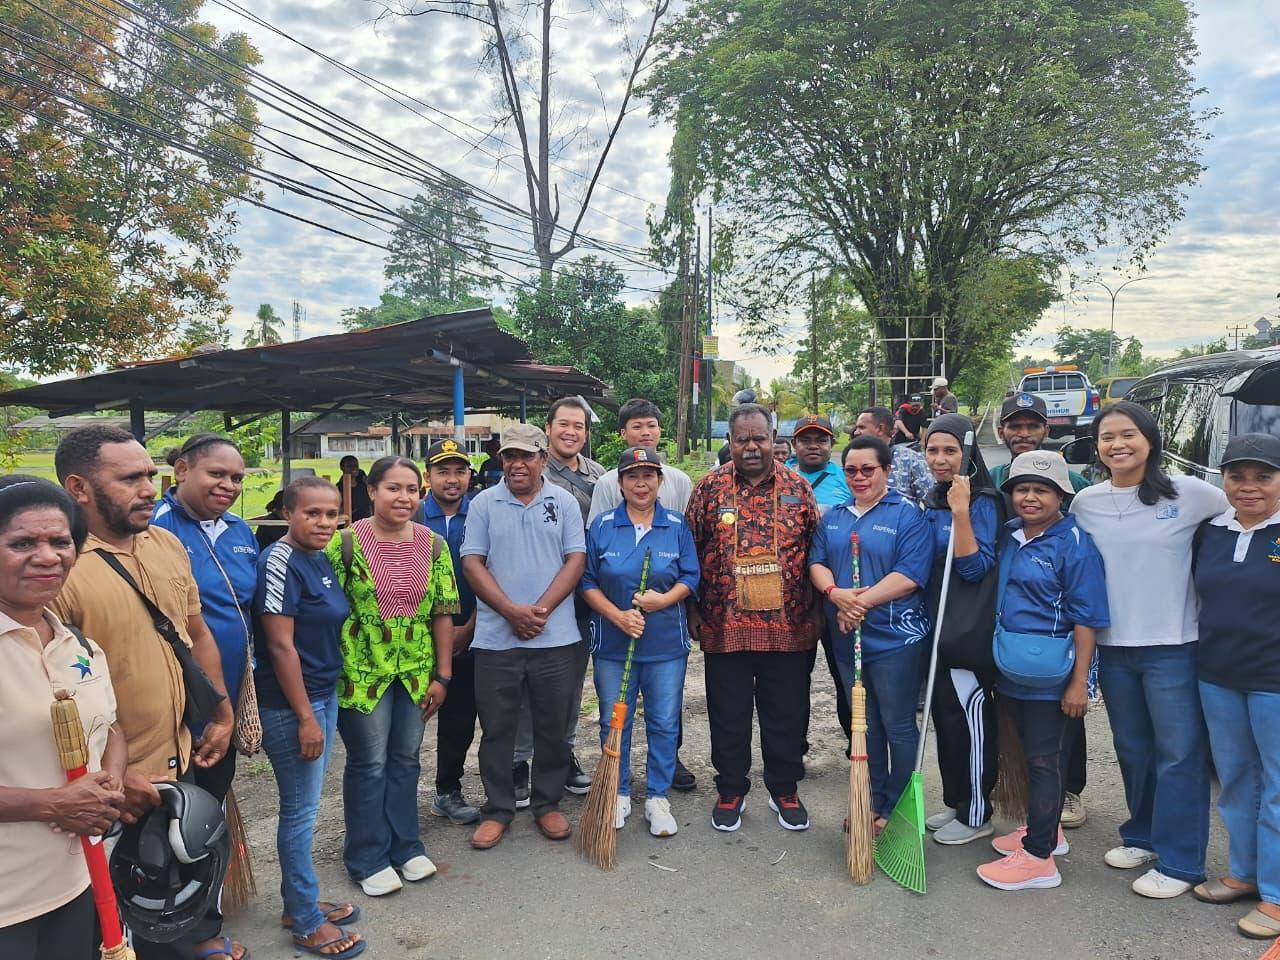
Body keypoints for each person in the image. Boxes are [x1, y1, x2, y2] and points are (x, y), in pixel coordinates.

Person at [51, 425, 238, 960]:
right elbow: (53, 697)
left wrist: (221, 711)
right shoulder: (60, 568)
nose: (149, 489)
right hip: (110, 791)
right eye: (130, 478)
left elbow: (196, 633)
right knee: (109, 929)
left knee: (170, 912)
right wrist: (114, 774)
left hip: (177, 767)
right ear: (79, 487)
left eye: (151, 476)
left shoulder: (166, 544)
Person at [1070, 401, 1226, 899]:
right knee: (1133, 749)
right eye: (1107, 437)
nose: (1118, 444)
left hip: (1173, 647)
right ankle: (1143, 836)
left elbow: (1251, 513)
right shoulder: (1086, 502)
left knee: (1178, 755)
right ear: (1097, 447)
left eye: (1128, 434)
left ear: (1150, 440)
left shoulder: (1191, 493)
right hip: (1114, 648)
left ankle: (1182, 862)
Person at [0, 475, 128, 960]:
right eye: (22, 543)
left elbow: (110, 729)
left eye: (60, 542)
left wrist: (110, 784)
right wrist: (51, 804)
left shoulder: (79, 645)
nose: (48, 557)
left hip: (77, 883)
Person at [977, 452, 1108, 892]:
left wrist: (1079, 683)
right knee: (1033, 755)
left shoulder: (1075, 543)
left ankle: (1038, 859)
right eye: (1022, 489)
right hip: (1013, 664)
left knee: (1044, 760)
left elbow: (1087, 618)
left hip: (1053, 674)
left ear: (1061, 496)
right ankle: (1048, 832)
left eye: (1041, 490)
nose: (1030, 497)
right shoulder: (1011, 534)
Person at [326, 456, 457, 898]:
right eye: (393, 488)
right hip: (362, 672)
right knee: (369, 763)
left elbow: (443, 612)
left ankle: (406, 846)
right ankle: (367, 856)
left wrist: (443, 675)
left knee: (406, 760)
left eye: (412, 490)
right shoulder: (343, 544)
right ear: (372, 491)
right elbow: (324, 610)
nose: (404, 498)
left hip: (416, 673)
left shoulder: (434, 545)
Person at [686, 403, 820, 833]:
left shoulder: (798, 488)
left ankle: (785, 789)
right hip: (724, 625)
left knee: (787, 712)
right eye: (741, 439)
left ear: (773, 439)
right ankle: (730, 789)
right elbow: (690, 551)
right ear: (729, 441)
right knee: (728, 712)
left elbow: (818, 552)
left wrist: (818, 611)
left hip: (790, 626)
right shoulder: (708, 489)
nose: (750, 447)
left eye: (759, 438)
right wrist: (692, 609)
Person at [151, 432, 258, 950]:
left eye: (236, 478)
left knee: (207, 816)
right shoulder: (155, 530)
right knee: (167, 823)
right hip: (173, 706)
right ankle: (172, 933)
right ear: (181, 471)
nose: (229, 485)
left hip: (225, 702)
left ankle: (206, 922)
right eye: (217, 474)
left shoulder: (241, 531)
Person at [253, 477, 365, 958]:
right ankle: (304, 921)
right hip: (292, 704)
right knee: (299, 812)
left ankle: (297, 901)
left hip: (323, 692)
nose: (323, 523)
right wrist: (305, 717)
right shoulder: (279, 562)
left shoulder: (318, 558)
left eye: (331, 514)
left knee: (308, 805)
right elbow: (280, 645)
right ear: (287, 513)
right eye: (311, 513)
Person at [461, 424, 586, 850]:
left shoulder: (564, 502)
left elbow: (575, 560)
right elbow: (472, 562)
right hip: (497, 639)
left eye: (526, 456)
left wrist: (541, 610)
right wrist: (510, 611)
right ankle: (498, 809)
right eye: (510, 457)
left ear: (542, 459)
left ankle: (547, 803)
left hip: (555, 637)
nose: (517, 464)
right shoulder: (484, 503)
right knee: (497, 728)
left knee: (554, 726)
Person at [808, 437, 932, 828]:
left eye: (868, 469)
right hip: (847, 638)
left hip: (896, 639)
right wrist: (836, 594)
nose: (859, 477)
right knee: (865, 724)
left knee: (897, 724)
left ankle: (896, 807)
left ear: (887, 470)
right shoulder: (834, 516)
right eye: (851, 470)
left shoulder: (908, 515)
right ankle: (871, 800)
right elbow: (817, 562)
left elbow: (910, 574)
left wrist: (857, 604)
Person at [988, 392, 1094, 830]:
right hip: (1012, 648)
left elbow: (1085, 608)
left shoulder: (1075, 514)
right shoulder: (998, 493)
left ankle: (1052, 821)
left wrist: (1081, 681)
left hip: (1056, 654)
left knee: (1053, 742)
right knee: (1022, 740)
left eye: (1032, 425)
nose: (1023, 433)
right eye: (1015, 425)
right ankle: (1032, 818)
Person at [581, 446, 699, 837]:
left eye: (649, 475)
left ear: (660, 481)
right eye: (632, 476)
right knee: (614, 719)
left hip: (665, 645)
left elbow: (691, 576)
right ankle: (617, 791)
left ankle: (657, 796)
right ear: (620, 484)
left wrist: (662, 600)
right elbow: (587, 581)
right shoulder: (602, 526)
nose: (641, 483)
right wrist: (617, 615)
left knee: (663, 721)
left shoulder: (676, 525)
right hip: (613, 645)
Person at [1191, 433, 1280, 937]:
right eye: (1237, 476)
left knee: (1277, 789)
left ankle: (1277, 892)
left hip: (1275, 680)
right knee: (1235, 781)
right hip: (1218, 675)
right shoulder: (1212, 531)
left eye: (1263, 477)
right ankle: (1245, 873)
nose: (1249, 487)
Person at [921, 412, 1004, 846]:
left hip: (966, 634)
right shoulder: (933, 499)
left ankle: (976, 813)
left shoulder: (982, 502)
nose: (940, 458)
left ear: (967, 454)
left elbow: (974, 568)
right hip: (936, 630)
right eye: (932, 450)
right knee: (946, 722)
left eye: (950, 450)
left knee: (970, 724)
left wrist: (961, 512)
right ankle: (957, 801)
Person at [527, 397, 606, 798]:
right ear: (548, 427)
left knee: (570, 686)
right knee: (527, 685)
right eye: (564, 424)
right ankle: (520, 761)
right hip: (538, 594)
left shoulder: (600, 475)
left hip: (582, 597)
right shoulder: (533, 471)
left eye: (578, 426)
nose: (571, 432)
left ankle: (563, 754)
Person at [417, 440, 483, 826]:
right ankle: (394, 797)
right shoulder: (411, 514)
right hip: (417, 638)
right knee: (410, 720)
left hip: (472, 631)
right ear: (428, 477)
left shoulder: (482, 514)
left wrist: (469, 628)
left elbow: (494, 573)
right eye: (443, 471)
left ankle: (447, 790)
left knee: (460, 717)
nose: (452, 479)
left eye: (460, 471)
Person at [851, 407, 932, 503]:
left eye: (862, 427)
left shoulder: (910, 458)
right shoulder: (853, 459)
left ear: (880, 429)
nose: (856, 432)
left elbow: (930, 500)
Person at [785, 415, 851, 512]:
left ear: (832, 444)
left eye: (821, 441)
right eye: (805, 441)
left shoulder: (848, 478)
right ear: (794, 444)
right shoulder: (779, 476)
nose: (813, 446)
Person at [337, 456, 373, 521]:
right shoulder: (339, 488)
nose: (354, 468)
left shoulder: (363, 480)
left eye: (356, 466)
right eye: (349, 466)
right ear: (341, 467)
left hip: (367, 519)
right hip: (352, 521)